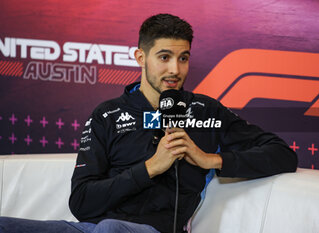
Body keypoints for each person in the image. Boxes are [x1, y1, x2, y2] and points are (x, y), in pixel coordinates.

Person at [0, 13, 297, 233]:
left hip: (150, 231)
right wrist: (150, 168)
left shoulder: (205, 111)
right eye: (164, 57)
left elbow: (282, 154)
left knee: (113, 230)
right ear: (140, 57)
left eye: (183, 58)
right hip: (93, 229)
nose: (175, 69)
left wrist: (209, 160)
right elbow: (81, 203)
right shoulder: (107, 114)